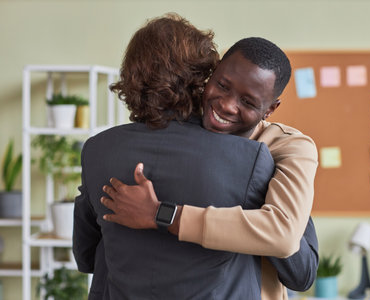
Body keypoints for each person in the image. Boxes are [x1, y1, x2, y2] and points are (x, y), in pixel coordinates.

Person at [72, 14, 311, 300]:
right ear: (205, 77)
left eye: (247, 101)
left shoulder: (99, 148)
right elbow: (301, 273)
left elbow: (86, 255)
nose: (226, 105)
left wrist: (160, 215)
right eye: (222, 85)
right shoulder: (249, 160)